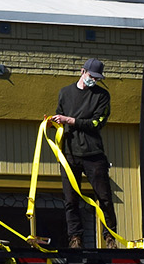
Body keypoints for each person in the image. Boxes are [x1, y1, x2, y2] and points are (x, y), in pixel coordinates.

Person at [49, 58, 117, 248]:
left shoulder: (102, 96)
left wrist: (70, 120)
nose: (93, 80)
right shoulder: (65, 93)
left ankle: (110, 236)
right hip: (69, 154)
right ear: (82, 71)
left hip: (93, 153)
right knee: (70, 199)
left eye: (97, 78)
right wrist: (54, 122)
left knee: (103, 197)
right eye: (91, 76)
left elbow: (97, 123)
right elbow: (59, 116)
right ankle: (75, 238)